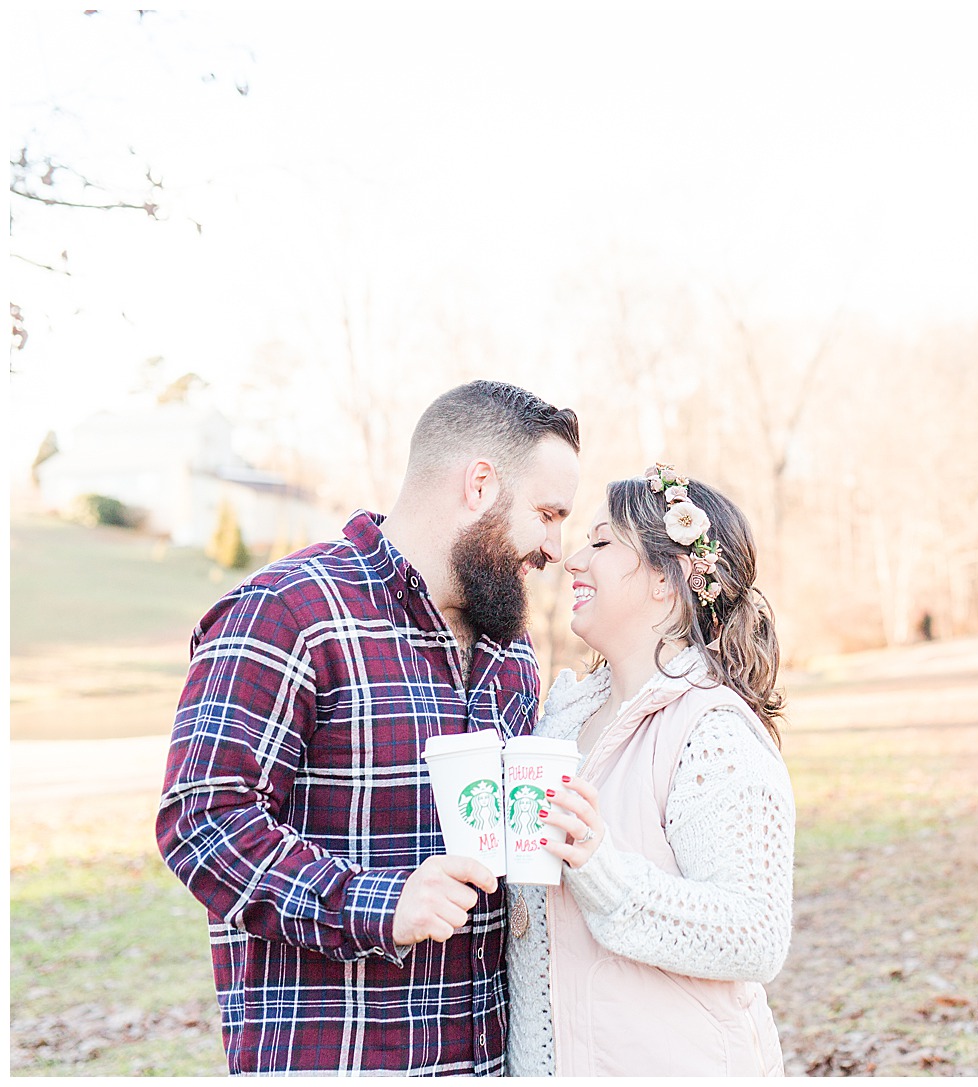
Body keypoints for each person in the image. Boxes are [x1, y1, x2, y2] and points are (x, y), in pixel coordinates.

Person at [156, 380, 580, 1075]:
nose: (556, 547)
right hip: (340, 1059)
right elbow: (202, 823)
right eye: (547, 512)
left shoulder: (511, 648)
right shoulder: (289, 609)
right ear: (479, 484)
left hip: (490, 1061)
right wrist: (380, 903)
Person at [505, 463, 796, 1077]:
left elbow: (756, 933)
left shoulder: (711, 731)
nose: (573, 560)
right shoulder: (558, 720)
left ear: (667, 580)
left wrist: (602, 868)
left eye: (602, 542)